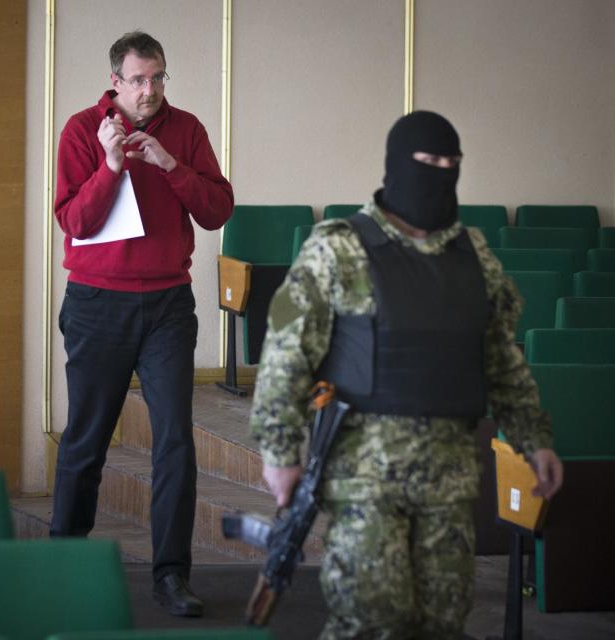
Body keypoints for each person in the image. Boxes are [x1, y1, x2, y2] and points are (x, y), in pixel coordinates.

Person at [250, 110, 564, 639]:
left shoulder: (475, 255)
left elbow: (499, 358)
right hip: (364, 477)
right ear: (397, 165)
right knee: (373, 621)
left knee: (443, 619)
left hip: (452, 480)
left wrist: (535, 440)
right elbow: (285, 355)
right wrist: (280, 454)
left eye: (452, 163)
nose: (441, 172)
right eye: (428, 162)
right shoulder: (338, 246)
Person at [50, 30, 233, 618]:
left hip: (167, 307)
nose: (150, 90)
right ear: (115, 81)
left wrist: (171, 164)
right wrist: (109, 165)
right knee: (86, 439)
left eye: (158, 77)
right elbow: (73, 219)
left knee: (175, 441)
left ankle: (172, 575)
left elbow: (216, 210)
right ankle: (65, 562)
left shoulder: (187, 129)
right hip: (97, 303)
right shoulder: (82, 129)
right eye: (138, 79)